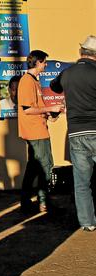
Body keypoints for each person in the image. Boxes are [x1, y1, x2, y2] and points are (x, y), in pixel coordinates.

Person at [50, 35, 96, 231]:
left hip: (76, 133)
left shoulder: (67, 73)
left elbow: (54, 86)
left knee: (81, 181)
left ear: (81, 52)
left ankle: (87, 222)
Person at [17, 50, 64, 213]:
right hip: (35, 132)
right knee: (45, 166)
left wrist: (51, 114)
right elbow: (27, 109)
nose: (45, 65)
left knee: (34, 167)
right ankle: (44, 202)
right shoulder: (27, 81)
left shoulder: (34, 81)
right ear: (37, 63)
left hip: (38, 129)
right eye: (44, 62)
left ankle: (27, 201)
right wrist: (51, 107)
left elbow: (37, 107)